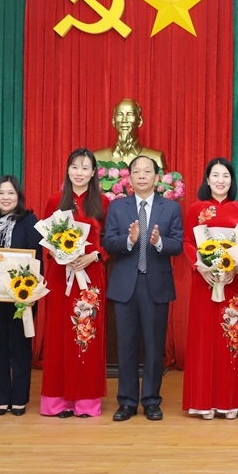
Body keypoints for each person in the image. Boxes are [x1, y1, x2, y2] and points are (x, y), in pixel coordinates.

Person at [103, 155, 183, 422]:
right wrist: (129, 239)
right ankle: (126, 402)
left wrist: (159, 242)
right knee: (125, 347)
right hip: (126, 285)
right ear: (129, 177)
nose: (141, 175)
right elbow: (108, 242)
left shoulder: (170, 208)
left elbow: (178, 244)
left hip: (155, 285)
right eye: (136, 171)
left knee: (154, 346)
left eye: (147, 171)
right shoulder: (118, 207)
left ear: (156, 177)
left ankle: (151, 401)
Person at [40, 148, 110, 418]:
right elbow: (45, 241)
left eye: (85, 167)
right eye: (74, 167)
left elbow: (109, 241)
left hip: (90, 277)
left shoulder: (103, 202)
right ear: (68, 170)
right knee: (58, 336)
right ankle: (57, 402)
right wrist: (60, 255)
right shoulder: (54, 201)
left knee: (85, 335)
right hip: (60, 277)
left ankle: (86, 401)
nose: (79, 172)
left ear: (93, 173)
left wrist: (94, 255)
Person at [181, 157, 238, 420]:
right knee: (205, 340)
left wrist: (237, 268)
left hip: (233, 285)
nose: (221, 180)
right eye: (216, 175)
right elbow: (188, 242)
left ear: (232, 181)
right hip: (205, 282)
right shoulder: (196, 208)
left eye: (226, 176)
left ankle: (231, 401)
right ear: (207, 179)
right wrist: (200, 267)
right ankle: (203, 402)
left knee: (232, 339)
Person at [0, 175, 42, 416]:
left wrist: (31, 293)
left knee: (21, 348)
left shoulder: (29, 221)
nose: (6, 197)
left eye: (11, 193)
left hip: (21, 297)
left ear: (18, 196)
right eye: (1, 193)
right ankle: (2, 399)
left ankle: (20, 400)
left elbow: (38, 259)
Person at [93, 98, 166, 169]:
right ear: (113, 121)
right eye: (120, 114)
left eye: (130, 114)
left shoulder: (156, 158)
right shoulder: (97, 157)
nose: (124, 120)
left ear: (140, 121)